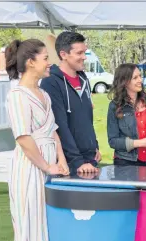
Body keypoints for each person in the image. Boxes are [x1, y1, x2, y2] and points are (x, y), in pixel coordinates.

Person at [5, 39, 69, 241]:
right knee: (30, 225)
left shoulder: (45, 94)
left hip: (49, 166)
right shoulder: (17, 96)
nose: (49, 63)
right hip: (30, 167)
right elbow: (23, 138)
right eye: (45, 58)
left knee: (48, 224)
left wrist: (61, 159)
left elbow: (52, 129)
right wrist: (46, 166)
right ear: (31, 62)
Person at [41, 31, 101, 174]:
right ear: (63, 55)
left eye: (84, 52)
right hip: (71, 163)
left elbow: (87, 118)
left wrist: (94, 146)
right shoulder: (51, 82)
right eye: (79, 53)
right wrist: (77, 161)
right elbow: (60, 125)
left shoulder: (84, 80)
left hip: (90, 158)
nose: (84, 57)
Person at [107, 63, 146, 167]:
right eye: (135, 78)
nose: (140, 80)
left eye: (140, 76)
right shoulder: (114, 106)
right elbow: (113, 141)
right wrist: (141, 143)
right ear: (124, 82)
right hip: (125, 164)